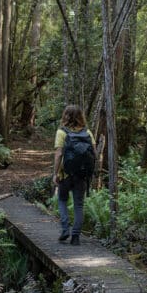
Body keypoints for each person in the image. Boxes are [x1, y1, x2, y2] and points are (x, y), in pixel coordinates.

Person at [53, 105, 96, 246]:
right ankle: (76, 236)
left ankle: (65, 229)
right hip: (82, 175)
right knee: (78, 205)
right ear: (80, 117)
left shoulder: (61, 132)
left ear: (65, 116)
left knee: (62, 200)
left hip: (66, 174)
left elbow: (59, 154)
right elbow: (94, 154)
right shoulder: (87, 133)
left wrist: (55, 173)